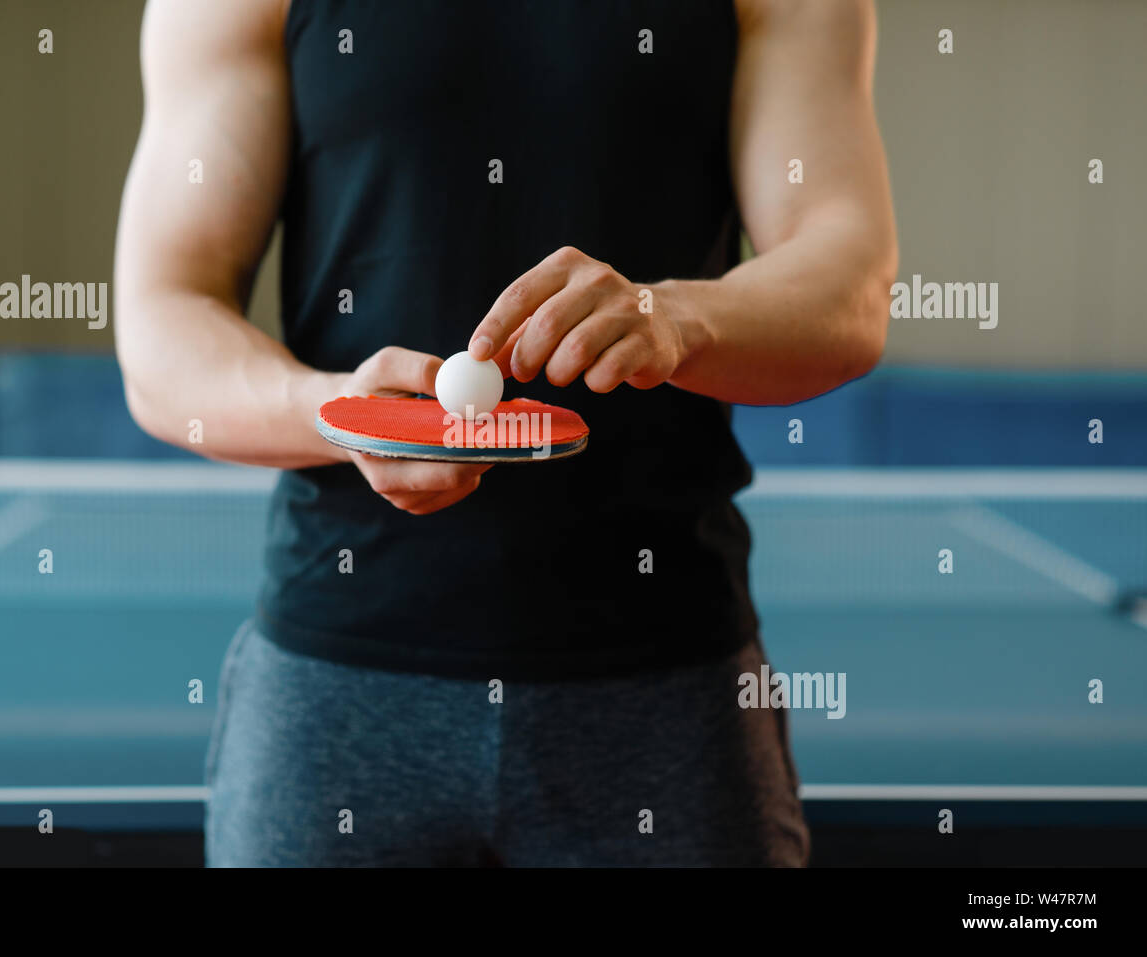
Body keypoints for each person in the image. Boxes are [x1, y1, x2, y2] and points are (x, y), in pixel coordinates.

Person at [115, 0, 897, 866]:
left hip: (667, 684)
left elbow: (851, 283)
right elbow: (162, 325)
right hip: (333, 696)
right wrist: (340, 413)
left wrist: (676, 315)